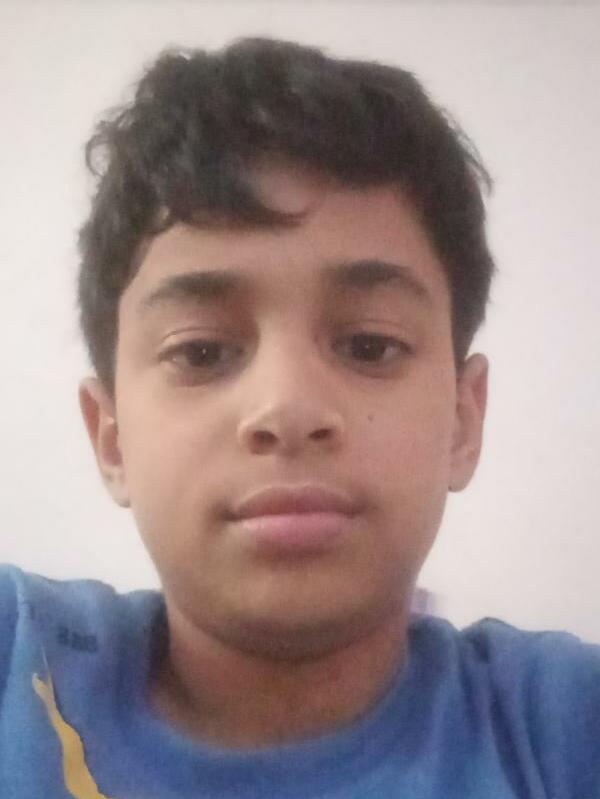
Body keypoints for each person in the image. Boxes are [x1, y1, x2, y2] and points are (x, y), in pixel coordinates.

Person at [0, 36, 598, 798]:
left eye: (370, 345)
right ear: (110, 437)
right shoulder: (21, 657)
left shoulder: (561, 726)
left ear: (462, 419)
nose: (287, 408)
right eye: (202, 351)